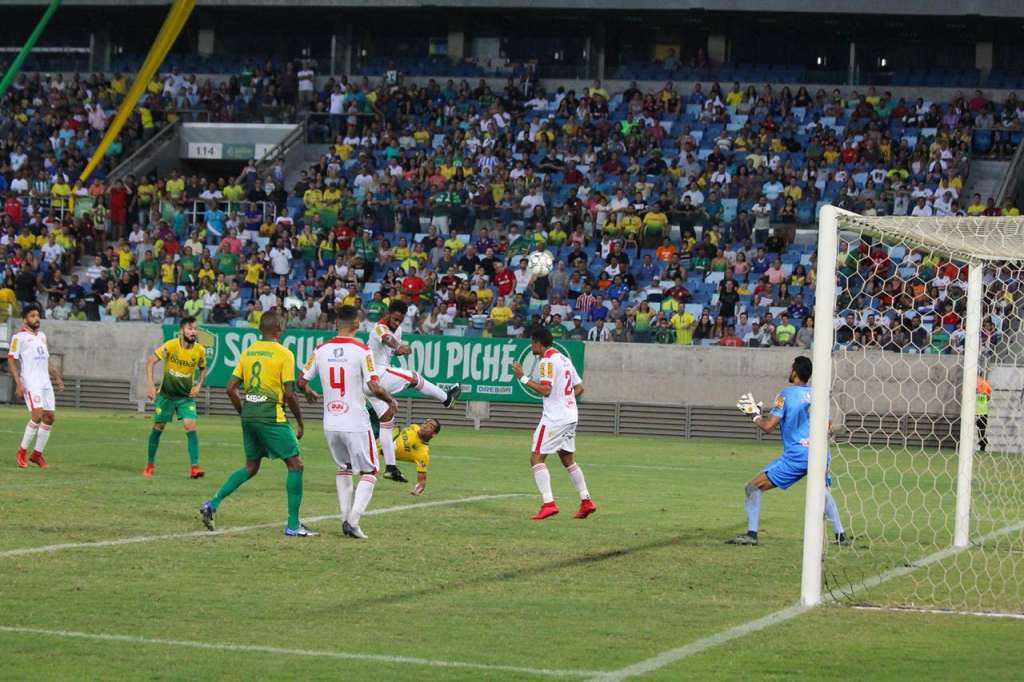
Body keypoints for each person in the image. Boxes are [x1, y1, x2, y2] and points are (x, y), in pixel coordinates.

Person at [199, 311, 317, 537]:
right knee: (296, 465)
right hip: (271, 416)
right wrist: (301, 422)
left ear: (260, 329)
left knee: (250, 467)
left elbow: (230, 387)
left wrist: (243, 412)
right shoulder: (284, 354)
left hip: (250, 415)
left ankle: (212, 504)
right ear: (280, 330)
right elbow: (290, 394)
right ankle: (293, 525)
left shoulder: (248, 352)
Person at [298, 305, 397, 539]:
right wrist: (390, 400)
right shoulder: (363, 350)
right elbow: (373, 385)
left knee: (344, 468)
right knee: (371, 470)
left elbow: (302, 381)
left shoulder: (320, 349)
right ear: (356, 324)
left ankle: (344, 517)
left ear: (336, 324)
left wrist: (310, 393)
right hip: (355, 420)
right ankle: (353, 521)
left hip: (330, 421)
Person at [727, 356, 848, 546]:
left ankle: (751, 534)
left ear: (795, 372)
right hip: (820, 453)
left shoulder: (785, 395)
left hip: (797, 456)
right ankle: (841, 535)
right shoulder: (818, 394)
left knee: (752, 486)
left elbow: (768, 427)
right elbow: (828, 425)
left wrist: (754, 416)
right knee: (821, 491)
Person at [368, 300, 461, 483]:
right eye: (394, 319)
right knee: (414, 377)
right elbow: (388, 339)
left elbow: (394, 349)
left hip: (374, 381)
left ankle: (391, 467)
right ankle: (446, 399)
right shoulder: (379, 328)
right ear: (388, 314)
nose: (397, 323)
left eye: (400, 321)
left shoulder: (399, 329)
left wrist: (402, 350)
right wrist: (398, 346)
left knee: (387, 421)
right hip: (377, 373)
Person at [511, 326, 596, 520]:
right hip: (570, 416)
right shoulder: (564, 360)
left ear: (538, 343)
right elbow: (579, 388)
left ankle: (548, 503)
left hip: (555, 418)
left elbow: (546, 390)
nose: (531, 346)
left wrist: (522, 377)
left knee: (536, 458)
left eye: (532, 343)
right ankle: (586, 500)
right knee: (567, 459)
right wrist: (565, 400)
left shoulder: (547, 361)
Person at [144, 316, 206, 478]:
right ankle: (150, 464)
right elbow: (151, 361)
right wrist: (150, 384)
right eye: (190, 328)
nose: (194, 332)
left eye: (195, 329)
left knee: (190, 425)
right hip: (166, 396)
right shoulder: (171, 345)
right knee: (159, 427)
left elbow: (203, 368)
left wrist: (198, 384)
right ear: (182, 331)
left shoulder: (199, 350)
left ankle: (195, 467)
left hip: (185, 398)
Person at [9, 303, 64, 468]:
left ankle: (37, 455)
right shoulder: (19, 337)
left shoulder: (42, 336)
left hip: (45, 382)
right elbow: (11, 360)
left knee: (50, 417)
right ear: (25, 319)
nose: (36, 318)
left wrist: (57, 378)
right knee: (37, 415)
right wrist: (18, 383)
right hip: (31, 381)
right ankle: (21, 452)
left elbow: (46, 360)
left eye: (38, 315)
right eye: (32, 316)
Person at [376, 417, 443, 496]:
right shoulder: (414, 427)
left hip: (375, 446)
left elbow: (422, 481)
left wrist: (415, 492)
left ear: (434, 434)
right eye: (425, 423)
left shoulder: (422, 453)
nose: (425, 426)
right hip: (377, 433)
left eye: (430, 426)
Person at [977, 369, 991, 452]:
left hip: (977, 401)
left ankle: (983, 442)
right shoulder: (985, 382)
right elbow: (988, 396)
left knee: (980, 424)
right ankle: (983, 442)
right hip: (982, 402)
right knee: (981, 425)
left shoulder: (975, 381)